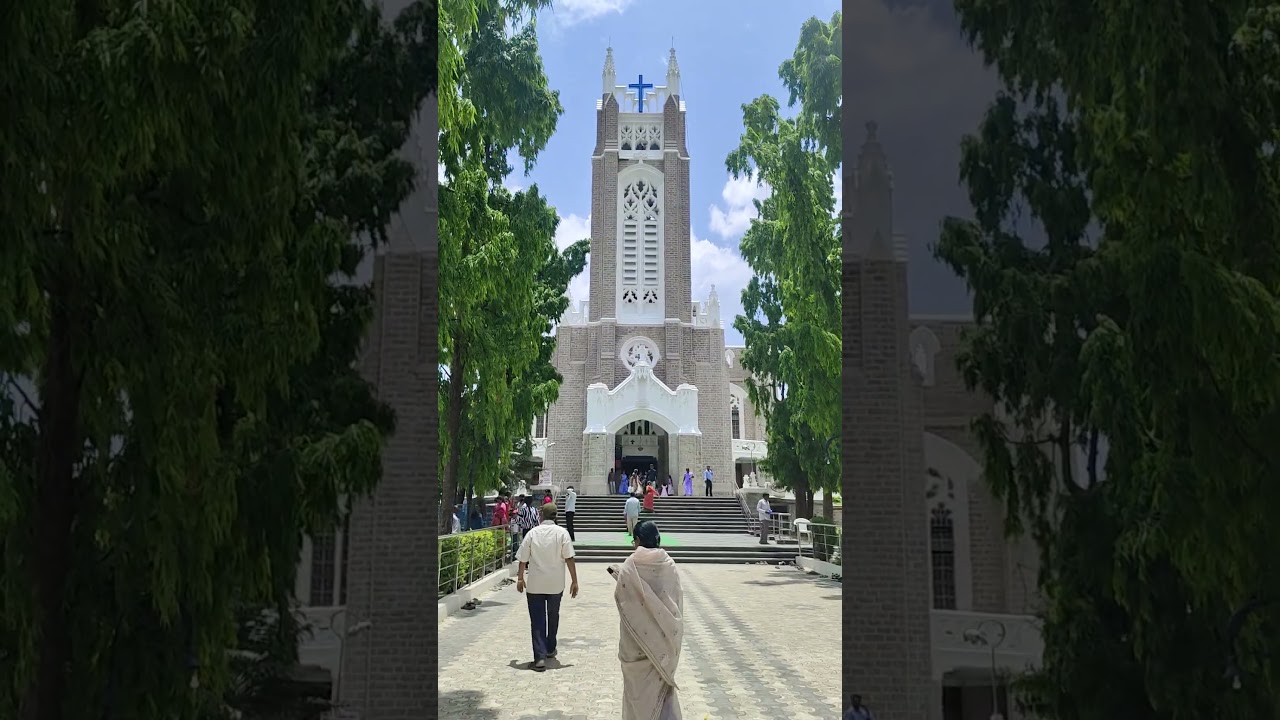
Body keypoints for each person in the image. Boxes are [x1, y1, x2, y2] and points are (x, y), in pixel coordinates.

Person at [608, 520, 684, 719]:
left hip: (636, 646)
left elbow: (628, 600)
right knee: (662, 689)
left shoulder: (630, 565)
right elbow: (673, 598)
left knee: (636, 697)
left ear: (638, 540)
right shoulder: (668, 563)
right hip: (664, 641)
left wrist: (623, 579)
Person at [516, 502, 579, 672]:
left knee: (537, 620)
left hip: (535, 584)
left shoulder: (532, 533)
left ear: (541, 516)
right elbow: (569, 559)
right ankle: (551, 648)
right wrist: (575, 581)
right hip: (555, 584)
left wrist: (520, 578)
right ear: (556, 516)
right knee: (553, 616)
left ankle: (539, 658)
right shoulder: (562, 533)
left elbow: (522, 559)